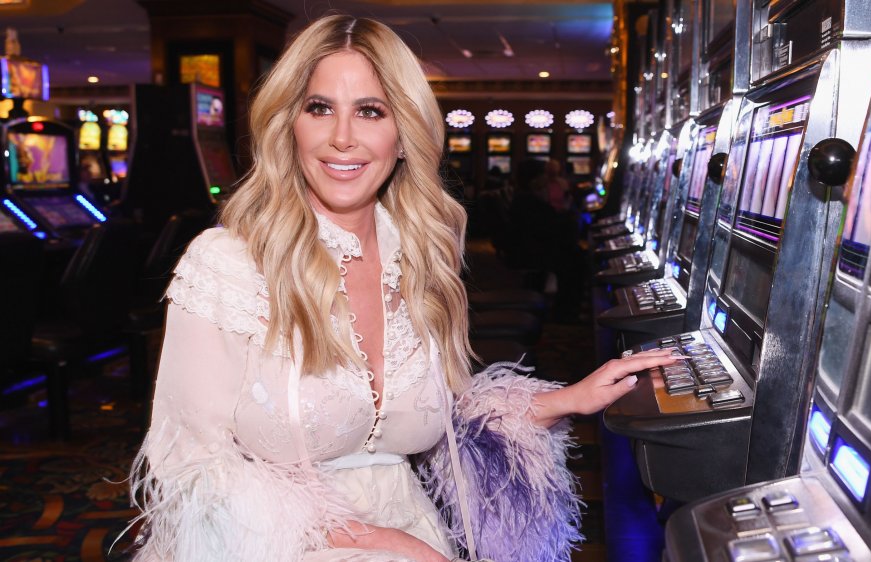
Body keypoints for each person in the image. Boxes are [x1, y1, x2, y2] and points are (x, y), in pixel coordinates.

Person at [127, 14, 683, 562]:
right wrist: (379, 544)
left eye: (370, 111)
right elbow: (190, 468)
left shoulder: (418, 260)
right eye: (319, 108)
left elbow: (437, 421)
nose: (342, 137)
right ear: (289, 125)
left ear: (403, 135)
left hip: (411, 535)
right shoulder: (229, 263)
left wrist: (570, 399)